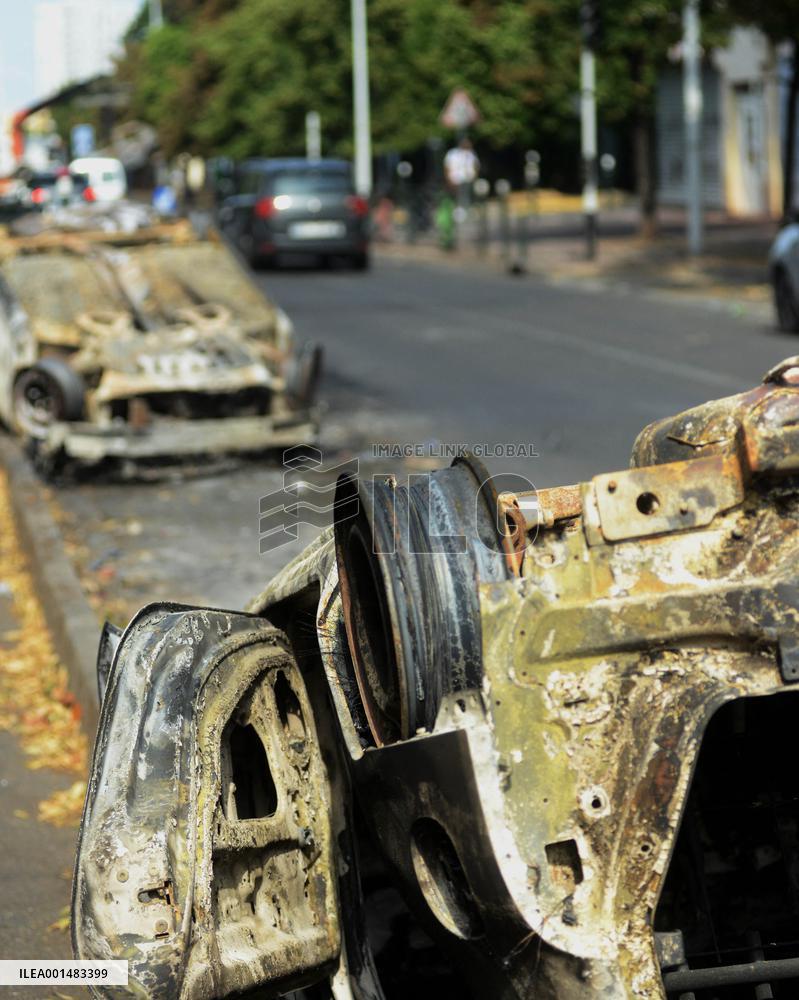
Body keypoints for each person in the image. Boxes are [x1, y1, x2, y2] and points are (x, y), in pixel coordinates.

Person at [444, 137, 480, 219]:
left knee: (468, 194)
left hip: (468, 179)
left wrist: (474, 176)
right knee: (457, 195)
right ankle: (458, 211)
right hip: (456, 179)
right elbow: (447, 166)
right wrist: (448, 178)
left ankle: (469, 209)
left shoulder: (471, 153)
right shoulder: (452, 153)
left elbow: (476, 165)